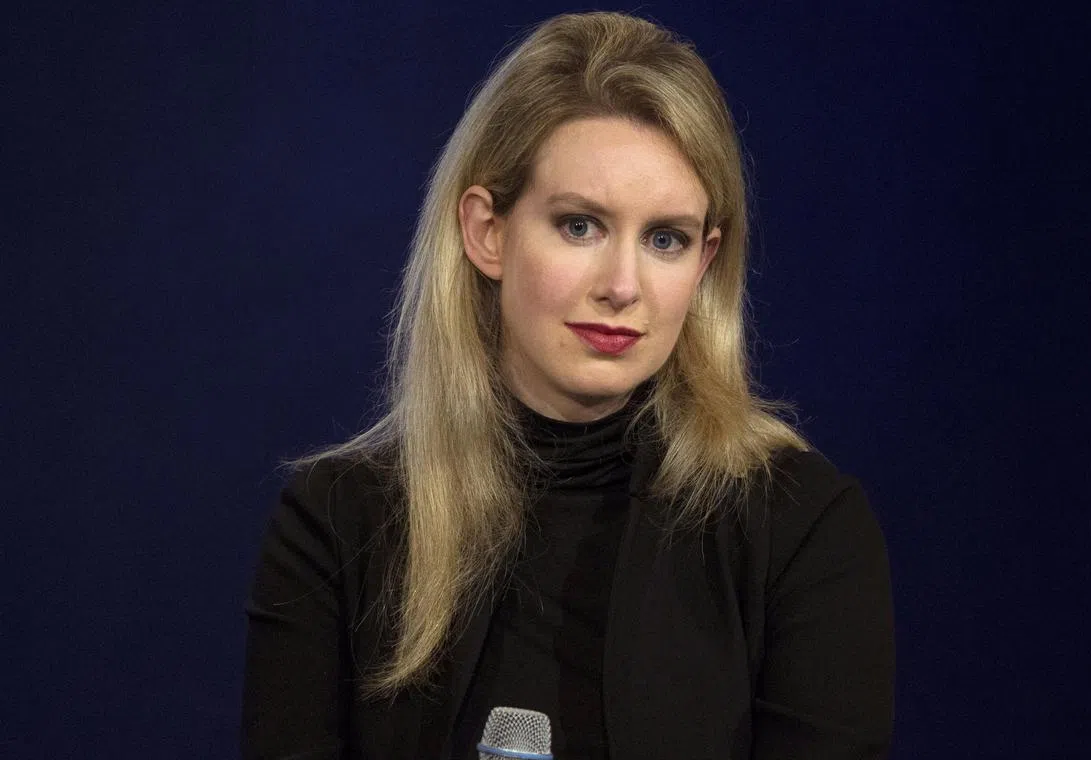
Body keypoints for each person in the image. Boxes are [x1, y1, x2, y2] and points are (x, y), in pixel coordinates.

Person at [242, 11, 894, 760]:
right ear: (487, 231)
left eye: (665, 240)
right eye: (580, 226)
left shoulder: (801, 529)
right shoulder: (338, 523)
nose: (623, 287)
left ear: (706, 261)